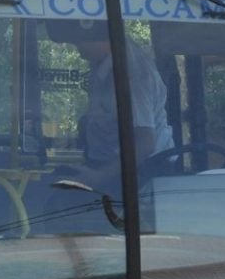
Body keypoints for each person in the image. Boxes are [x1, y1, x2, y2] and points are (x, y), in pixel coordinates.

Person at [52, 18, 174, 191]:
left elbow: (145, 143)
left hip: (139, 174)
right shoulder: (103, 62)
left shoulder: (131, 75)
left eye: (80, 40)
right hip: (112, 166)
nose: (76, 45)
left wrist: (99, 177)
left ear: (102, 36)